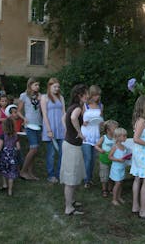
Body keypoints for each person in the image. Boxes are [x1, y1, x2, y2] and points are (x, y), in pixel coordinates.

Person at [60, 84, 88, 216]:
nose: (87, 96)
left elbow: (64, 118)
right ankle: (68, 208)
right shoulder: (77, 108)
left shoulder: (73, 107)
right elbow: (72, 118)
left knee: (73, 174)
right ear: (79, 95)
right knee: (70, 178)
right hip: (72, 146)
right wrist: (79, 132)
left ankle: (71, 201)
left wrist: (69, 130)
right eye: (85, 94)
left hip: (70, 145)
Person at [41, 78, 66, 183]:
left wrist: (65, 128)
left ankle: (59, 173)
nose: (57, 88)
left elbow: (64, 113)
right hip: (50, 128)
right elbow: (44, 114)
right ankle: (51, 175)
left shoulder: (61, 97)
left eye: (58, 87)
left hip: (60, 128)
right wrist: (48, 130)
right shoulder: (44, 98)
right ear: (49, 86)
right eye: (54, 86)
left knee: (62, 153)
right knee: (51, 154)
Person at [17, 77, 42, 180]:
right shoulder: (24, 96)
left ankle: (30, 173)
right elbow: (18, 111)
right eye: (36, 85)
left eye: (38, 85)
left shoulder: (39, 96)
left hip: (39, 124)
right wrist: (24, 118)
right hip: (30, 125)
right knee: (34, 148)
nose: (38, 87)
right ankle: (23, 171)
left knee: (34, 151)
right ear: (30, 85)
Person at [0, 117, 21, 196]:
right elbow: (18, 147)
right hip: (13, 157)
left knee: (3, 170)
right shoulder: (15, 135)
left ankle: (4, 184)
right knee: (11, 174)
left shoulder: (2, 136)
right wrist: (14, 150)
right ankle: (10, 191)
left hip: (4, 156)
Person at [81, 85, 104, 188]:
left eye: (98, 95)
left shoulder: (100, 106)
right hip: (86, 134)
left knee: (93, 159)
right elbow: (79, 119)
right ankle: (86, 180)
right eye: (95, 95)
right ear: (91, 95)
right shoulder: (85, 105)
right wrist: (83, 122)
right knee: (88, 158)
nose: (97, 97)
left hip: (96, 134)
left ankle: (89, 178)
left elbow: (101, 120)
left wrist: (102, 125)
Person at [95, 119, 119, 197]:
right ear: (108, 130)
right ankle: (104, 189)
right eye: (115, 128)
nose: (117, 130)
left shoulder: (116, 138)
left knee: (112, 174)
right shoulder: (104, 138)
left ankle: (110, 189)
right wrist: (100, 149)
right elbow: (96, 145)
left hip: (113, 159)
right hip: (104, 160)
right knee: (104, 174)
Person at [109, 127, 129, 206]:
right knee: (117, 183)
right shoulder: (115, 147)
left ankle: (119, 197)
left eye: (125, 136)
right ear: (117, 137)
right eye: (123, 136)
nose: (125, 137)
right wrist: (118, 160)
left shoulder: (124, 147)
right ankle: (114, 199)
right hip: (116, 168)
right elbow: (110, 157)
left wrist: (127, 157)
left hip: (122, 168)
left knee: (120, 183)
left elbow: (123, 156)